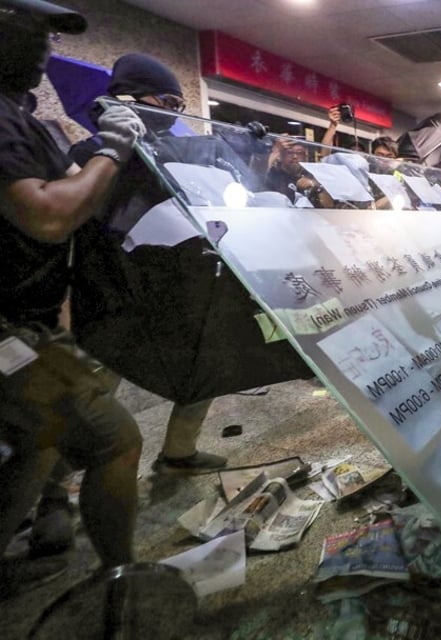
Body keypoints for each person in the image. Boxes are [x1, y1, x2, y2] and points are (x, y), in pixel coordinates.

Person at [0, 2, 145, 597]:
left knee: (36, 446)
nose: (43, 51)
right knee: (113, 438)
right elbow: (48, 215)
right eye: (29, 35)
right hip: (8, 330)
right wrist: (112, 152)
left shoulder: (22, 117)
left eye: (47, 37)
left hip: (31, 318)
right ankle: (121, 581)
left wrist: (88, 155)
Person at [67, 53, 231, 475]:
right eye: (166, 103)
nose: (173, 114)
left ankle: (179, 453)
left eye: (180, 106)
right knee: (94, 389)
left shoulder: (169, 151)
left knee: (203, 367)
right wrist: (116, 148)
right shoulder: (90, 151)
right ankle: (55, 492)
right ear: (128, 97)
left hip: (173, 281)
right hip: (112, 287)